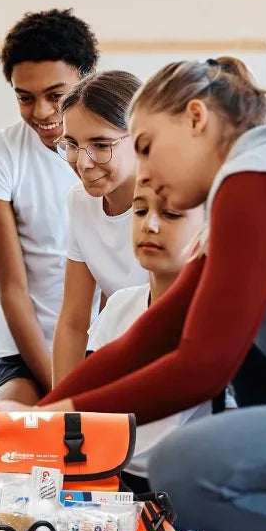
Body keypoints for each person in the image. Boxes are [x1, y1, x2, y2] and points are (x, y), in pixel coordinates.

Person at [0, 57, 266, 531]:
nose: (141, 171)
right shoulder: (256, 182)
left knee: (187, 469)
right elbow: (150, 339)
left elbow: (202, 366)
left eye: (144, 146)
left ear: (196, 119)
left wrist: (53, 424)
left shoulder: (255, 176)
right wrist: (36, 421)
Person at [0, 9, 99, 403]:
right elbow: (12, 289)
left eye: (55, 96)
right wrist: (60, 390)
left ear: (86, 77)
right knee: (15, 428)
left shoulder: (116, 152)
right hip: (27, 346)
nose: (41, 112)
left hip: (102, 341)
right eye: (26, 98)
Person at [86, 180, 207, 489]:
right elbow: (90, 414)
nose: (149, 225)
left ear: (209, 228)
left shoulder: (221, 322)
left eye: (171, 215)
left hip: (188, 490)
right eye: (139, 211)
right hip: (113, 481)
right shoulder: (119, 307)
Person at [51, 71, 147, 385]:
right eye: (72, 145)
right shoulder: (80, 203)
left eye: (100, 144)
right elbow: (74, 322)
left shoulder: (174, 205)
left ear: (140, 137)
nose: (83, 162)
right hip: (120, 357)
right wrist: (60, 413)